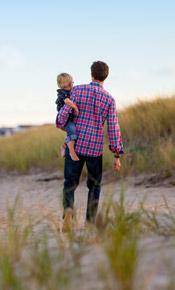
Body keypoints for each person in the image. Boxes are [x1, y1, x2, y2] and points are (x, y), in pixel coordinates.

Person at [56, 61, 123, 231]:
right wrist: (116, 155)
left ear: (91, 74)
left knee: (69, 184)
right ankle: (91, 223)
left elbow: (61, 120)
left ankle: (68, 212)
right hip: (94, 149)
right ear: (105, 76)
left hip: (76, 146)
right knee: (94, 185)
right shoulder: (109, 99)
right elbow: (113, 128)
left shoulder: (77, 90)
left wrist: (64, 114)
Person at [55, 73, 80, 161]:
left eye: (69, 81)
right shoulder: (62, 93)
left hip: (71, 118)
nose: (68, 84)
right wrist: (75, 108)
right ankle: (71, 152)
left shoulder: (72, 91)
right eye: (65, 82)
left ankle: (64, 146)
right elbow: (67, 101)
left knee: (75, 133)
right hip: (65, 119)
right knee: (72, 131)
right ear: (60, 85)